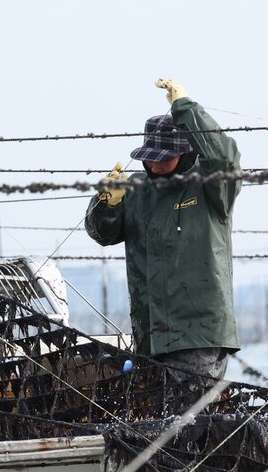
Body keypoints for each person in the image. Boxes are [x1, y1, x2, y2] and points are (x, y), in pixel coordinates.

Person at [85, 79, 241, 395]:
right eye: (150, 156)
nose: (154, 164)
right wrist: (106, 203)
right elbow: (103, 234)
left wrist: (186, 109)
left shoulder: (210, 186)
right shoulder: (137, 190)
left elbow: (226, 158)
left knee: (187, 420)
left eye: (163, 156)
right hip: (151, 337)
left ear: (185, 152)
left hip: (199, 336)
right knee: (156, 421)